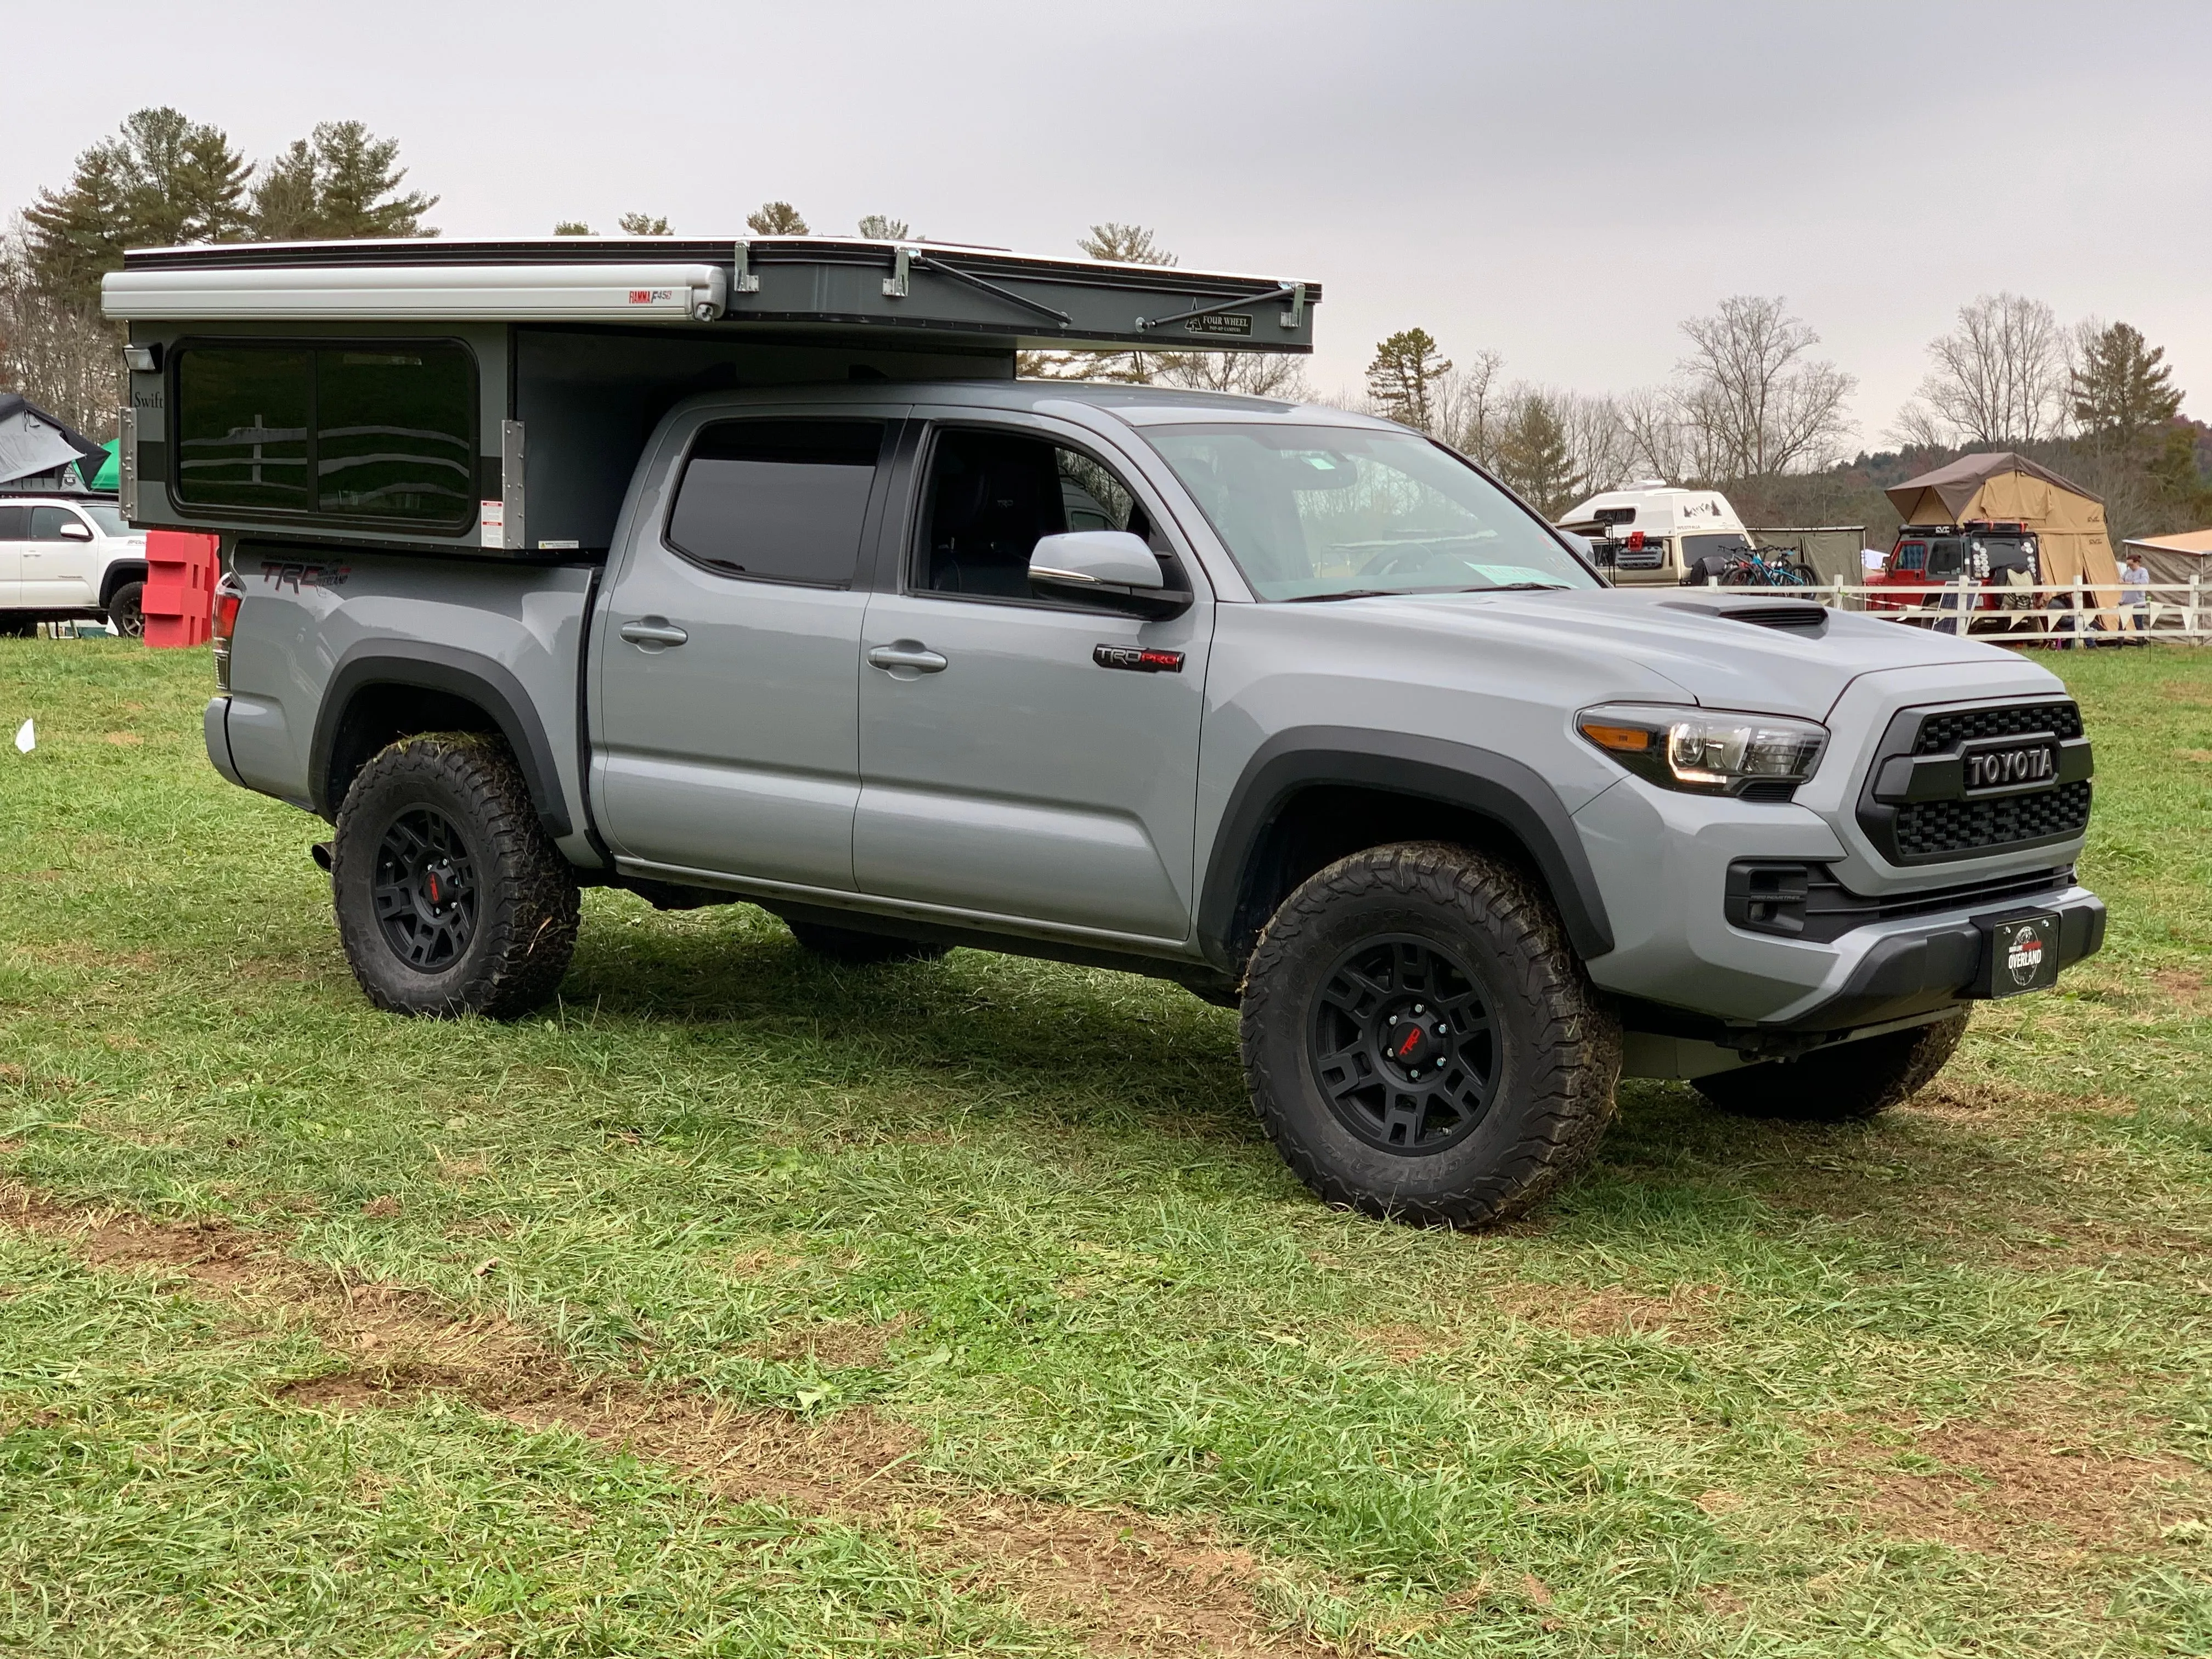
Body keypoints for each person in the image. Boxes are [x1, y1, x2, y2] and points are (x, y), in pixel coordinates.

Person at [2121, 553, 2151, 642]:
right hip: (2126, 601)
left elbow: (2144, 582)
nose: (2130, 567)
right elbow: (2121, 578)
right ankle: (2119, 643)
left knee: (2138, 624)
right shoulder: (2128, 572)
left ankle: (2141, 643)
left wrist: (2132, 583)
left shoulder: (2143, 571)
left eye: (2131, 565)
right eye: (2128, 565)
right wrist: (2121, 580)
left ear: (2137, 563)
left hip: (2138, 602)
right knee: (2122, 624)